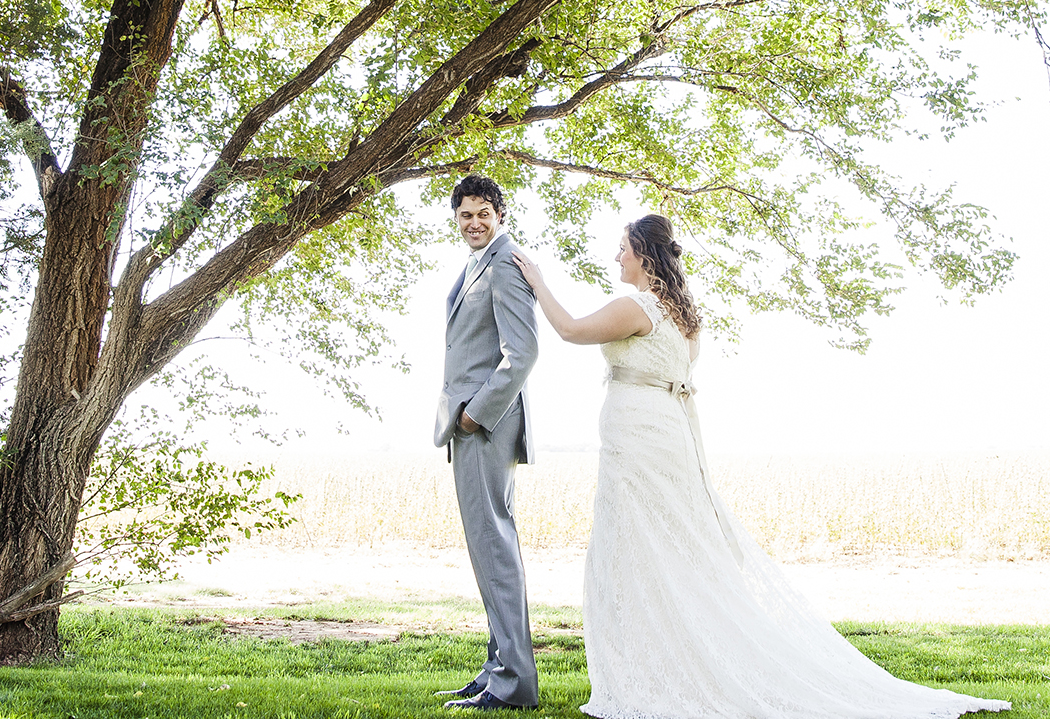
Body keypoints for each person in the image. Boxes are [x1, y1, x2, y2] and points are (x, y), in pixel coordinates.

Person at [513, 215, 1011, 719]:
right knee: (668, 548)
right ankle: (677, 658)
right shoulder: (683, 315)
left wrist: (538, 280)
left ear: (643, 253)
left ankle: (663, 669)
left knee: (637, 548)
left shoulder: (634, 306)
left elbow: (571, 329)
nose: (616, 256)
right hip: (666, 435)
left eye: (622, 248)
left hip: (640, 439)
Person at [432, 174, 540, 710]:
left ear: (500, 214)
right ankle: (498, 667)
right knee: (491, 549)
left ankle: (513, 683)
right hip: (471, 425)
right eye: (465, 215)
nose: (474, 223)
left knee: (494, 549)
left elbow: (522, 353)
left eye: (483, 213)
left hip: (485, 426)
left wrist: (474, 415)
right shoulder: (477, 262)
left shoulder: (504, 263)